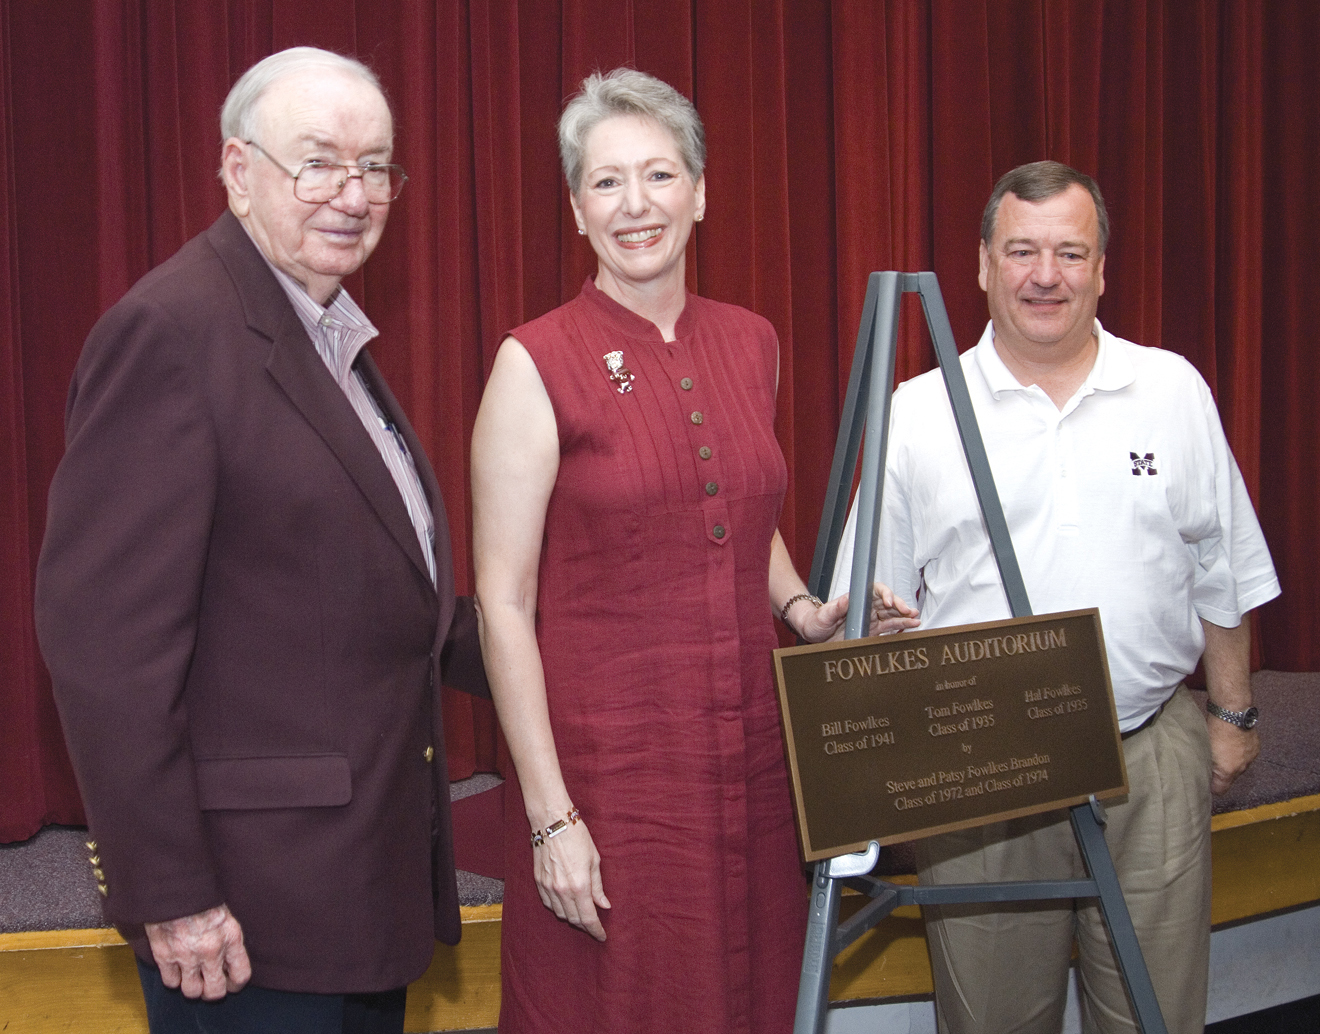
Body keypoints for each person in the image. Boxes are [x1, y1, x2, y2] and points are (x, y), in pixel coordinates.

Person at [34, 46, 487, 1034]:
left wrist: (597, 638)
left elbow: (386, 595)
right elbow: (105, 649)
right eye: (317, 161)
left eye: (376, 167)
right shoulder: (173, 332)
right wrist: (172, 892)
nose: (353, 193)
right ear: (239, 172)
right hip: (243, 916)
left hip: (354, 888)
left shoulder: (327, 336)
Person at [471, 68, 917, 1034]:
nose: (637, 205)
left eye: (660, 175)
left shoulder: (752, 340)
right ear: (577, 212)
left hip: (753, 754)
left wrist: (802, 607)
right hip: (609, 772)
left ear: (702, 191)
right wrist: (551, 817)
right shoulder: (533, 362)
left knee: (754, 992)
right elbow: (501, 604)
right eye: (606, 182)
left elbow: (735, 508)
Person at [831, 160, 1280, 1034]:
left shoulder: (1172, 389)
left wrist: (1234, 718)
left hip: (1149, 754)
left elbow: (1222, 564)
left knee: (1157, 1014)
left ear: (1103, 268)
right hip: (982, 778)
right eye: (1023, 251)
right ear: (982, 265)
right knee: (994, 1020)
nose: (1047, 276)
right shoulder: (921, 413)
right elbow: (868, 609)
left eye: (1071, 253)